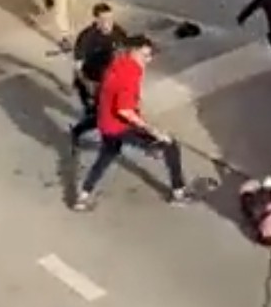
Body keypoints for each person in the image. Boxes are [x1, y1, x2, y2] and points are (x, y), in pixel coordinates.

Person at [72, 35, 190, 210]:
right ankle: (178, 192)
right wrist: (152, 130)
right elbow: (124, 110)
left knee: (106, 156)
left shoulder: (118, 63)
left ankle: (83, 196)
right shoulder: (131, 73)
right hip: (121, 126)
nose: (148, 60)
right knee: (170, 145)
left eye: (150, 56)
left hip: (105, 123)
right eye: (145, 55)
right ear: (133, 52)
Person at [70, 2, 128, 146]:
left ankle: (107, 135)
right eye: (104, 20)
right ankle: (82, 131)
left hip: (110, 80)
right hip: (91, 81)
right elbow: (78, 67)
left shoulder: (118, 32)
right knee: (98, 114)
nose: (108, 23)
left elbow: (125, 54)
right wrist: (86, 85)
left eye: (110, 19)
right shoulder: (86, 38)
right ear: (96, 21)